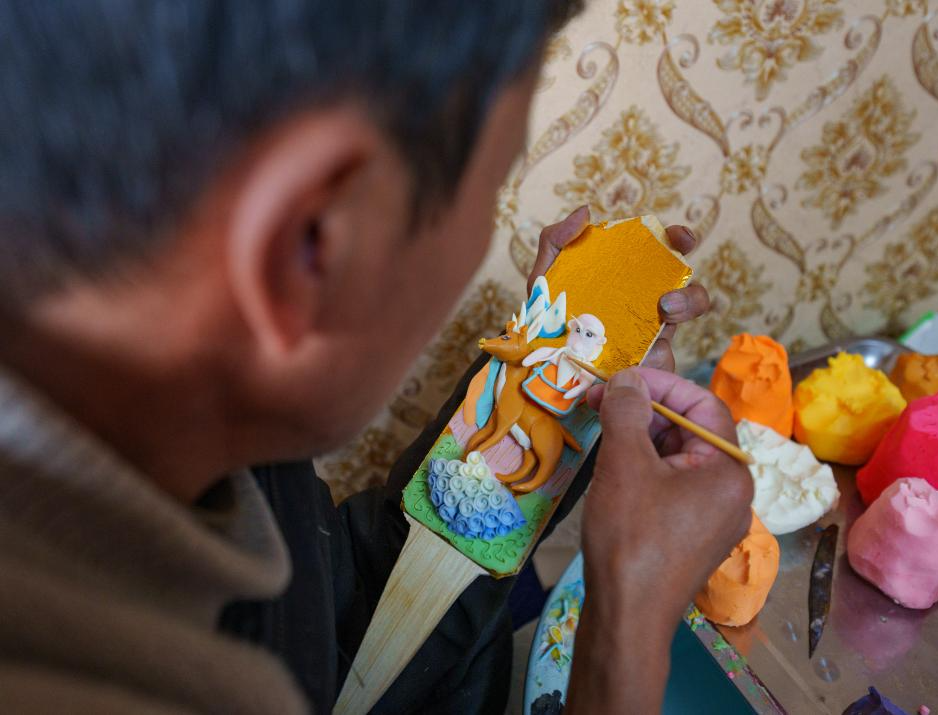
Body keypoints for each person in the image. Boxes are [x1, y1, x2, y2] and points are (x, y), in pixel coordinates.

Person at [0, 2, 752, 714]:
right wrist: (626, 628)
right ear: (313, 243)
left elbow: (346, 619)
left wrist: (545, 388)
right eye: (491, 190)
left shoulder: (211, 443)